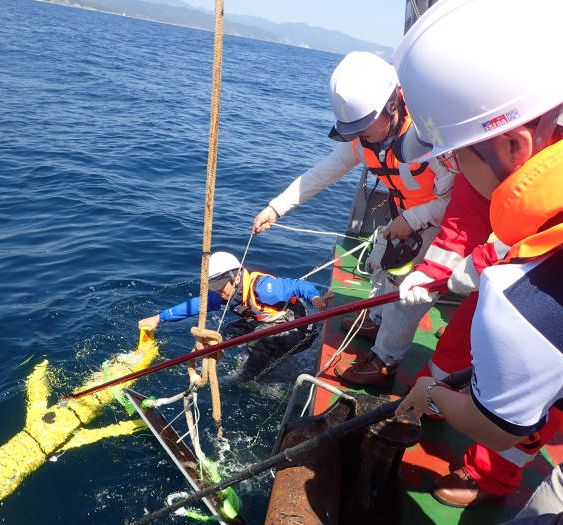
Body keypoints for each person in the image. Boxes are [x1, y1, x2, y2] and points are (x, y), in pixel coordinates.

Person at [391, 0, 562, 515]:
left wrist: (434, 394)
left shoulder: (522, 307)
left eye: (455, 155)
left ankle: (498, 476)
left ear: (514, 145)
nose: (456, 170)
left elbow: (497, 423)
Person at [252, 51, 454, 388]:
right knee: (380, 266)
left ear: (393, 104)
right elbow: (322, 173)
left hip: (437, 225)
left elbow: (460, 200)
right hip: (402, 216)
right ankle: (376, 319)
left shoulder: (431, 138)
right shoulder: (364, 140)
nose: (359, 135)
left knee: (404, 292)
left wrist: (416, 218)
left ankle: (386, 359)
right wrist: (276, 207)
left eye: (363, 125)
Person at [138, 251, 329, 381]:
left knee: (258, 342)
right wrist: (159, 318)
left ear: (236, 277)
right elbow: (197, 305)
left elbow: (297, 285)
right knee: (229, 332)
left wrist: (315, 299)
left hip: (301, 329)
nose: (218, 292)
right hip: (268, 321)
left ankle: (246, 378)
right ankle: (262, 359)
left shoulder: (264, 289)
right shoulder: (227, 294)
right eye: (214, 287)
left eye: (221, 286)